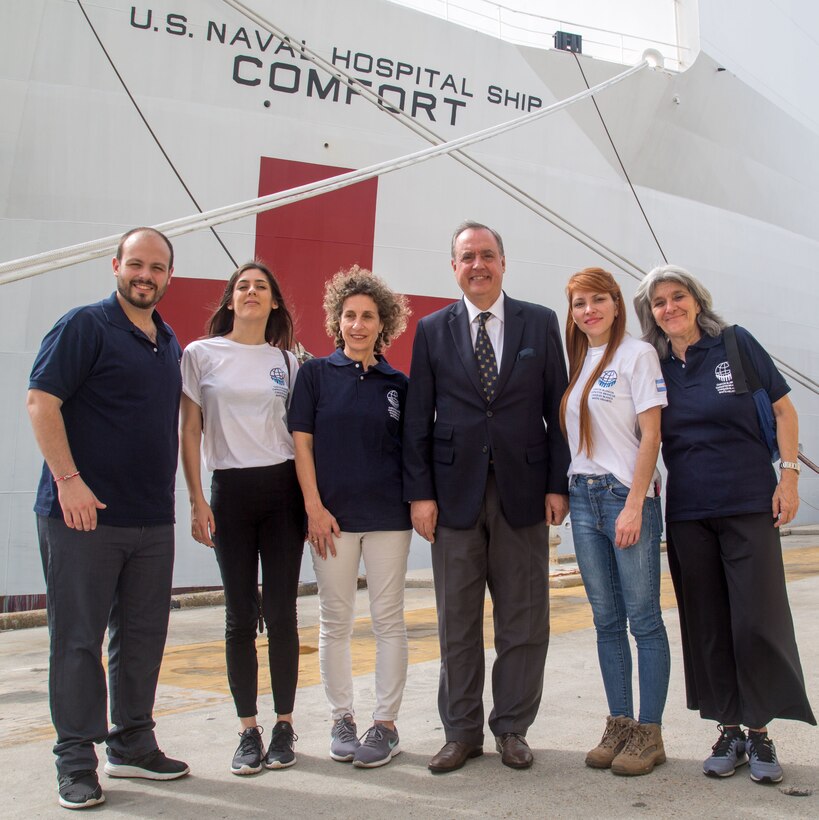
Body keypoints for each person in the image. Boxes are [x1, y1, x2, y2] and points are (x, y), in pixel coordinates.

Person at [633, 264, 815, 784]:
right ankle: (728, 729)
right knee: (707, 623)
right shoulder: (655, 363)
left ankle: (760, 734)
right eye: (660, 302)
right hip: (689, 512)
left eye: (678, 296)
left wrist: (789, 478)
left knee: (756, 620)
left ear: (696, 299)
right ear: (652, 314)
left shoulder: (735, 344)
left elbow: (783, 411)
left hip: (748, 503)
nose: (670, 307)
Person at [27, 227, 189, 810]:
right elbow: (41, 401)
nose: (146, 275)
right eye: (137, 264)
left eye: (158, 268)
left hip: (151, 518)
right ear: (116, 265)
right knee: (77, 641)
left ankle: (133, 743)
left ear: (169, 276)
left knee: (142, 638)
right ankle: (75, 760)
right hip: (83, 518)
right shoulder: (84, 326)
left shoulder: (167, 341)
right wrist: (69, 482)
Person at [403, 221, 571, 773]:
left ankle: (513, 728)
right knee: (457, 619)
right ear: (454, 267)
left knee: (523, 618)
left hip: (523, 491)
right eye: (467, 257)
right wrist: (420, 494)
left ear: (504, 262)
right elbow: (417, 420)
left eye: (487, 255)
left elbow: (558, 412)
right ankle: (461, 732)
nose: (478, 264)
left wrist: (557, 484)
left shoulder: (540, 323)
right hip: (452, 497)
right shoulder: (432, 329)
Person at [180, 261, 305, 776]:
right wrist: (196, 500)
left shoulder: (290, 362)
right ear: (230, 300)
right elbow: (190, 431)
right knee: (238, 616)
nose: (251, 292)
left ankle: (283, 725)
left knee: (281, 614)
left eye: (261, 287)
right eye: (242, 286)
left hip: (282, 493)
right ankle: (247, 730)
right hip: (229, 491)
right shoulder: (200, 355)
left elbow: (302, 439)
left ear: (274, 301)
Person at [289, 266, 412, 769]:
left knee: (388, 621)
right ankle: (342, 716)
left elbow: (411, 452)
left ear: (384, 324)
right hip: (331, 521)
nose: (358, 325)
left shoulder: (398, 384)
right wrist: (314, 509)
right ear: (336, 322)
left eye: (368, 317)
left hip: (388, 518)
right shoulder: (315, 375)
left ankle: (384, 725)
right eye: (350, 316)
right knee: (334, 621)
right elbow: (302, 445)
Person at [559, 267, 670, 776]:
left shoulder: (637, 355)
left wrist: (634, 503)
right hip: (583, 497)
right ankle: (619, 722)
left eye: (598, 300)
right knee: (606, 620)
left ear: (616, 303)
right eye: (580, 303)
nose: (589, 311)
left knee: (643, 619)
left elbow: (651, 436)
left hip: (626, 497)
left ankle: (649, 731)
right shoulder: (581, 360)